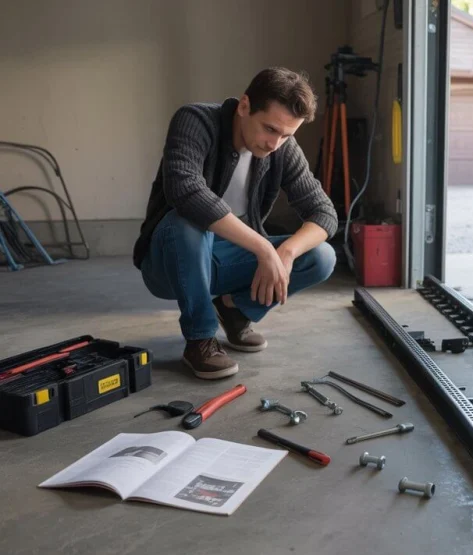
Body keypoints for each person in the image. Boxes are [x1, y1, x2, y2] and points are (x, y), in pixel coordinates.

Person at [133, 67, 339, 380]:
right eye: (270, 129)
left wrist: (284, 252)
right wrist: (264, 249)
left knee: (321, 255)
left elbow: (324, 212)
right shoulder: (195, 120)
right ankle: (200, 339)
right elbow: (185, 189)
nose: (275, 143)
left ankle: (234, 310)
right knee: (188, 219)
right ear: (244, 106)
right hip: (170, 261)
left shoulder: (282, 148)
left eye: (287, 135)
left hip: (224, 261)